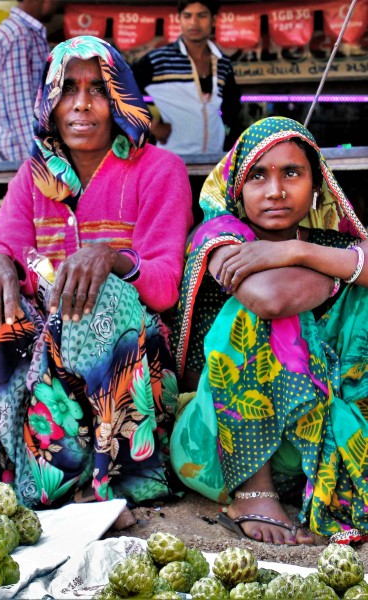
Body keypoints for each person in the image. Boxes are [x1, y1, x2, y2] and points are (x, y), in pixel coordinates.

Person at [0, 35, 193, 514]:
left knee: (104, 298)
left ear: (120, 96)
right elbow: (4, 245)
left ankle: (113, 481)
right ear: (50, 101)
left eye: (97, 89)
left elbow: (164, 285)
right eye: (67, 88)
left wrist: (112, 257)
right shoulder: (34, 175)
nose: (81, 104)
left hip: (133, 362)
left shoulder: (158, 169)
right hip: (47, 345)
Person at [171, 116, 368, 545]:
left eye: (292, 174)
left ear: (317, 185)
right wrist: (343, 271)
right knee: (251, 316)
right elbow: (269, 299)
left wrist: (298, 250)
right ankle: (252, 494)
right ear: (238, 187)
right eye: (258, 175)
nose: (276, 191)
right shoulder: (219, 235)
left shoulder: (317, 242)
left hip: (307, 435)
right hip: (215, 441)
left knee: (363, 302)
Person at [132, 0, 241, 155]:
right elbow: (121, 89)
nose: (194, 23)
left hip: (214, 159)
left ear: (214, 20)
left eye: (201, 16)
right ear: (179, 19)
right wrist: (152, 124)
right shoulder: (159, 60)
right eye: (187, 16)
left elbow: (232, 106)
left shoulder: (222, 62)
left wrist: (228, 140)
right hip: (171, 159)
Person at [0, 0, 59, 162]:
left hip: (12, 152)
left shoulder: (14, 30)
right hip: (20, 156)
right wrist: (40, 161)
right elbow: (21, 109)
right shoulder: (19, 35)